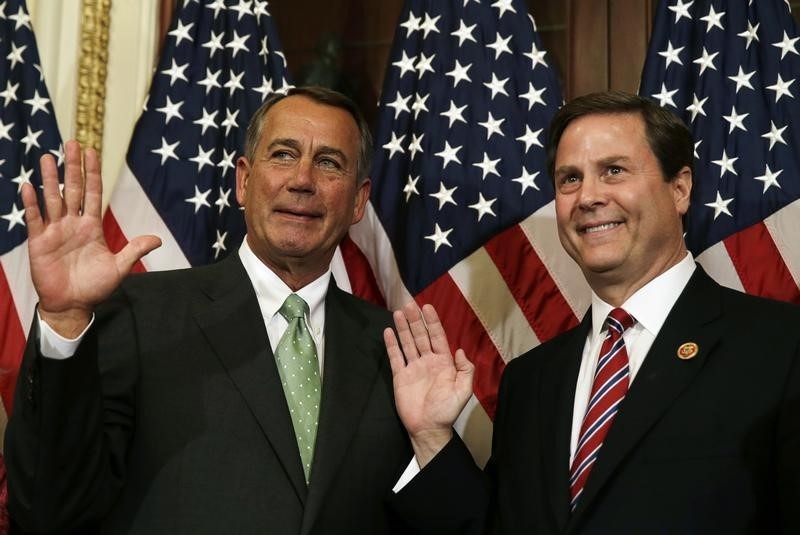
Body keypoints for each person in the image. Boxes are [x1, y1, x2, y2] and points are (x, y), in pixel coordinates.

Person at [386, 91, 800, 534]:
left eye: (613, 171)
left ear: (680, 189)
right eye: (569, 179)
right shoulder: (531, 380)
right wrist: (431, 435)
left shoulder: (781, 346)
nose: (587, 197)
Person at [7, 87, 413, 533]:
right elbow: (51, 505)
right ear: (243, 180)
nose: (302, 179)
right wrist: (64, 320)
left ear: (358, 201)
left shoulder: (395, 349)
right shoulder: (144, 316)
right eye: (282, 154)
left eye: (329, 163)